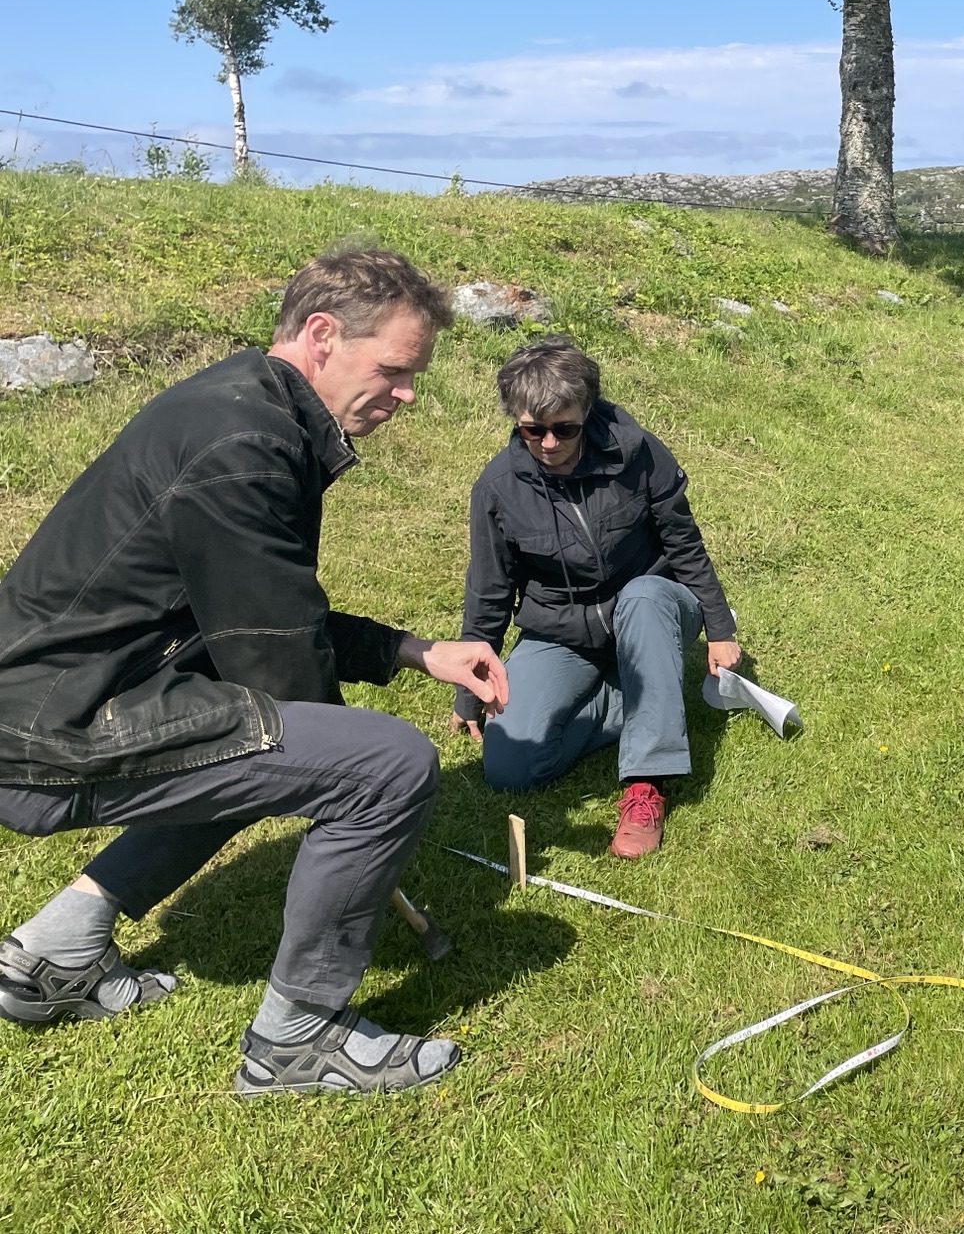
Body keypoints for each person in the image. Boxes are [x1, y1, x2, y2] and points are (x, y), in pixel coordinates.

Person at [0, 247, 508, 1094]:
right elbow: (284, 672)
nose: (408, 394)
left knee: (247, 744)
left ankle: (52, 956)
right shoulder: (243, 443)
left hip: (63, 694)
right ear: (320, 335)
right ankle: (298, 1042)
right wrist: (347, 767)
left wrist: (415, 651)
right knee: (383, 764)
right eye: (394, 369)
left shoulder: (245, 404)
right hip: (54, 726)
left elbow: (260, 609)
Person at [450, 337, 739, 859]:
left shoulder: (639, 452)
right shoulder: (496, 489)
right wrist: (469, 687)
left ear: (589, 410)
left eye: (565, 428)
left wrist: (719, 627)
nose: (549, 443)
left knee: (645, 597)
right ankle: (643, 693)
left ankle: (645, 784)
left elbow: (683, 541)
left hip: (654, 603)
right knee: (509, 767)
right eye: (532, 429)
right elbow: (489, 590)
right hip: (564, 631)